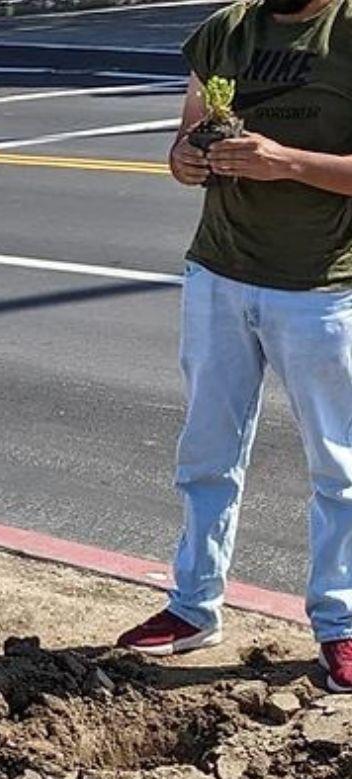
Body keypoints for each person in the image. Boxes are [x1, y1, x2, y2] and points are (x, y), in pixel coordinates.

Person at [117, 0, 352, 691]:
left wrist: (287, 163)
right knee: (207, 453)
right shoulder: (226, 30)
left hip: (319, 289)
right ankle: (192, 606)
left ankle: (340, 624)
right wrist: (185, 160)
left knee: (339, 467)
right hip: (218, 274)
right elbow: (184, 139)